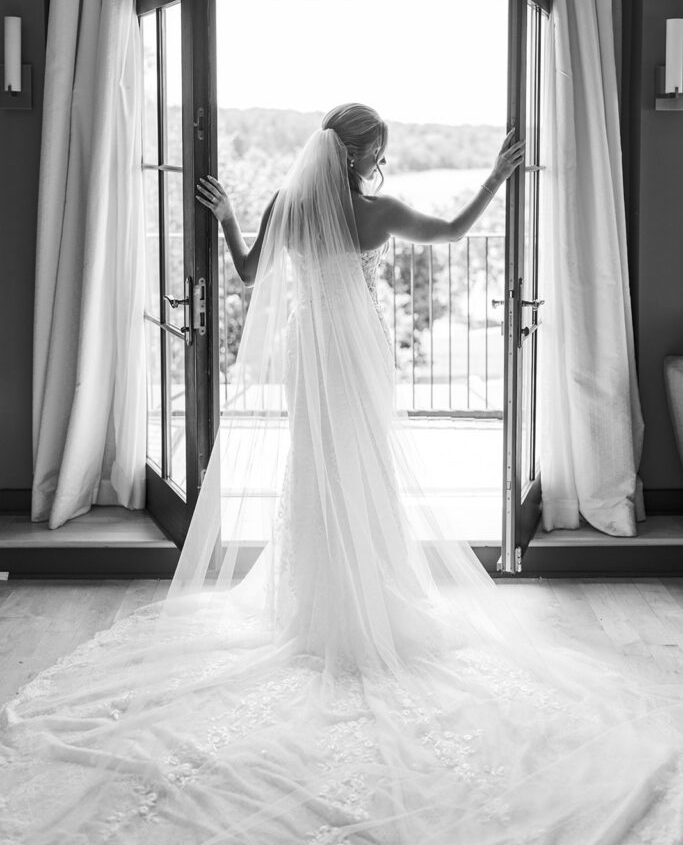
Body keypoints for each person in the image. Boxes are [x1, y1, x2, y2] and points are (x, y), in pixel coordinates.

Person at [2, 104, 683, 845]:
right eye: (377, 151)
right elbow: (454, 234)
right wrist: (495, 178)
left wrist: (228, 214)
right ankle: (366, 593)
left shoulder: (287, 206)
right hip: (357, 356)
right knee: (363, 469)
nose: (376, 162)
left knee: (315, 467)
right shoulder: (379, 213)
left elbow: (246, 272)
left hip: (309, 356)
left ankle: (313, 603)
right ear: (358, 156)